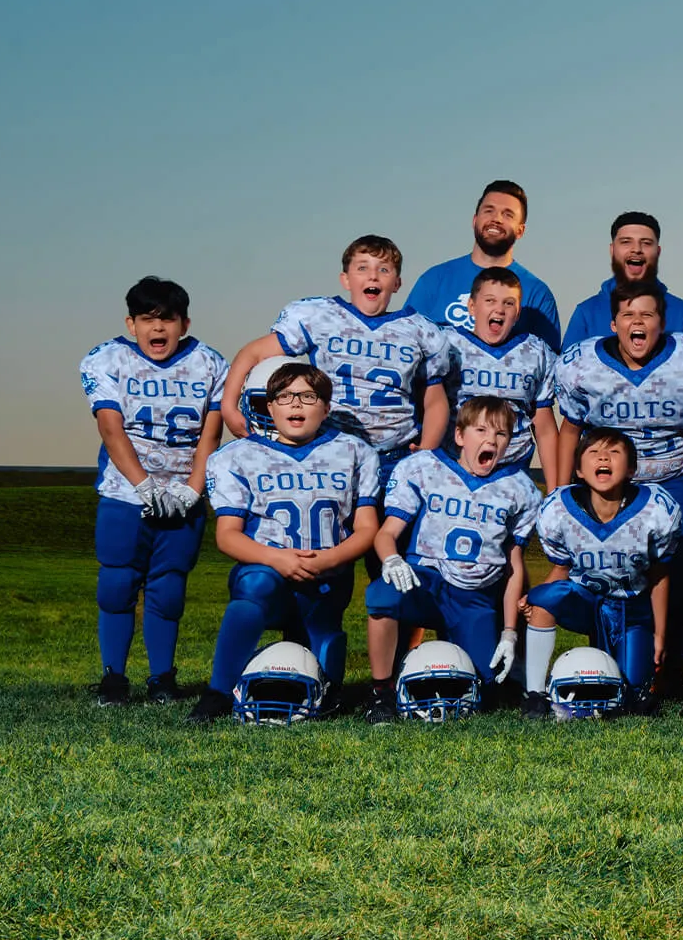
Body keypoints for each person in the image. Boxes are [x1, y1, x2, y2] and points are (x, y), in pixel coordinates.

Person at [188, 365, 382, 723]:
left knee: (325, 683)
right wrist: (277, 560)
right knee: (253, 587)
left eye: (309, 397)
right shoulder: (236, 456)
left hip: (327, 577)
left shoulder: (354, 451)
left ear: (326, 407)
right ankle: (217, 692)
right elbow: (227, 535)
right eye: (285, 397)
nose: (297, 405)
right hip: (268, 573)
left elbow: (367, 528)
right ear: (269, 406)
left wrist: (329, 560)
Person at [554, 279, 683, 695]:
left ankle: (673, 667)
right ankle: (607, 660)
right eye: (628, 314)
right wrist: (560, 488)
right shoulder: (583, 365)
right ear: (613, 323)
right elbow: (570, 428)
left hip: (670, 477)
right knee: (604, 571)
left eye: (647, 314)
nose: (637, 322)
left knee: (680, 566)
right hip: (609, 483)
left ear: (661, 322)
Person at [80, 277, 229, 705]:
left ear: (184, 323)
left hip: (183, 492)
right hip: (126, 493)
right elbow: (111, 429)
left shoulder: (209, 362)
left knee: (168, 588)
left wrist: (193, 488)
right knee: (117, 583)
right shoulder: (106, 360)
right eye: (148, 319)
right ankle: (113, 678)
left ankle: (163, 678)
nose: (158, 328)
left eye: (167, 319)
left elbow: (210, 435)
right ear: (131, 323)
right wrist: (143, 485)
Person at [220, 235, 453, 500]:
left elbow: (434, 399)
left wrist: (425, 451)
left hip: (395, 455)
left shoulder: (420, 330)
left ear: (397, 283)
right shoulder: (321, 316)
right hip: (332, 453)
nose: (373, 276)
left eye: (384, 270)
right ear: (345, 279)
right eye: (362, 267)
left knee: (392, 539)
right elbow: (253, 352)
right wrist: (229, 405)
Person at [360, 396, 541, 724]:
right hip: (427, 582)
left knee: (481, 692)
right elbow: (386, 533)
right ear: (459, 435)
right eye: (481, 430)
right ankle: (382, 692)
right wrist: (392, 561)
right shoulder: (425, 468)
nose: (491, 440)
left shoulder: (520, 488)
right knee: (382, 595)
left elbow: (514, 567)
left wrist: (511, 632)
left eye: (501, 434)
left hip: (475, 596)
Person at [520, 426, 681, 718]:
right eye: (593, 452)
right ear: (579, 470)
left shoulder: (654, 509)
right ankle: (534, 694)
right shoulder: (559, 509)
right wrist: (536, 599)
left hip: (632, 607)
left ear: (632, 468)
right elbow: (562, 567)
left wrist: (659, 634)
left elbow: (659, 575)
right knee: (544, 596)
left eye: (614, 452)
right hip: (586, 601)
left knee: (632, 698)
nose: (603, 457)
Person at [403, 180, 561, 350]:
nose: (496, 219)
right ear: (475, 220)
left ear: (520, 230)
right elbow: (405, 343)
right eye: (489, 210)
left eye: (508, 214)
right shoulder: (434, 280)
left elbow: (548, 366)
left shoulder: (537, 294)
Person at [444, 267, 559, 478]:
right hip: (454, 467)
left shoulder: (536, 353)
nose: (499, 309)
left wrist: (554, 491)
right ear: (472, 306)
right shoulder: (447, 345)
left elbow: (544, 426)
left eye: (508, 303)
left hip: (512, 470)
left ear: (517, 313)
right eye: (490, 301)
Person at [563, 212, 683, 349]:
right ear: (612, 250)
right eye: (626, 242)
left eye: (646, 243)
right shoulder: (586, 313)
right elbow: (566, 372)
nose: (636, 249)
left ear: (657, 252)